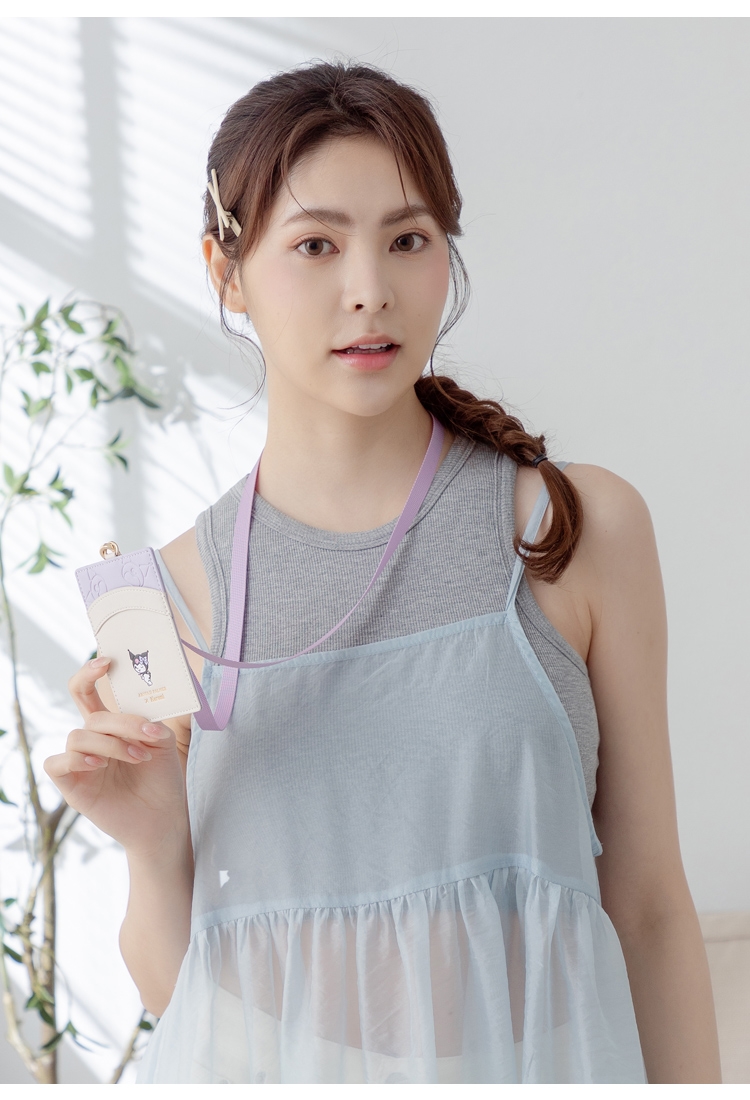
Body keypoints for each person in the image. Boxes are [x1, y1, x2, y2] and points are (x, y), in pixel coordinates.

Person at [44, 61, 721, 1084]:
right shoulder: (167, 601)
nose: (370, 288)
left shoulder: (570, 533)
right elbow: (194, 1009)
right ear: (225, 271)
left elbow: (653, 909)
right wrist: (153, 842)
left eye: (408, 239)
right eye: (315, 245)